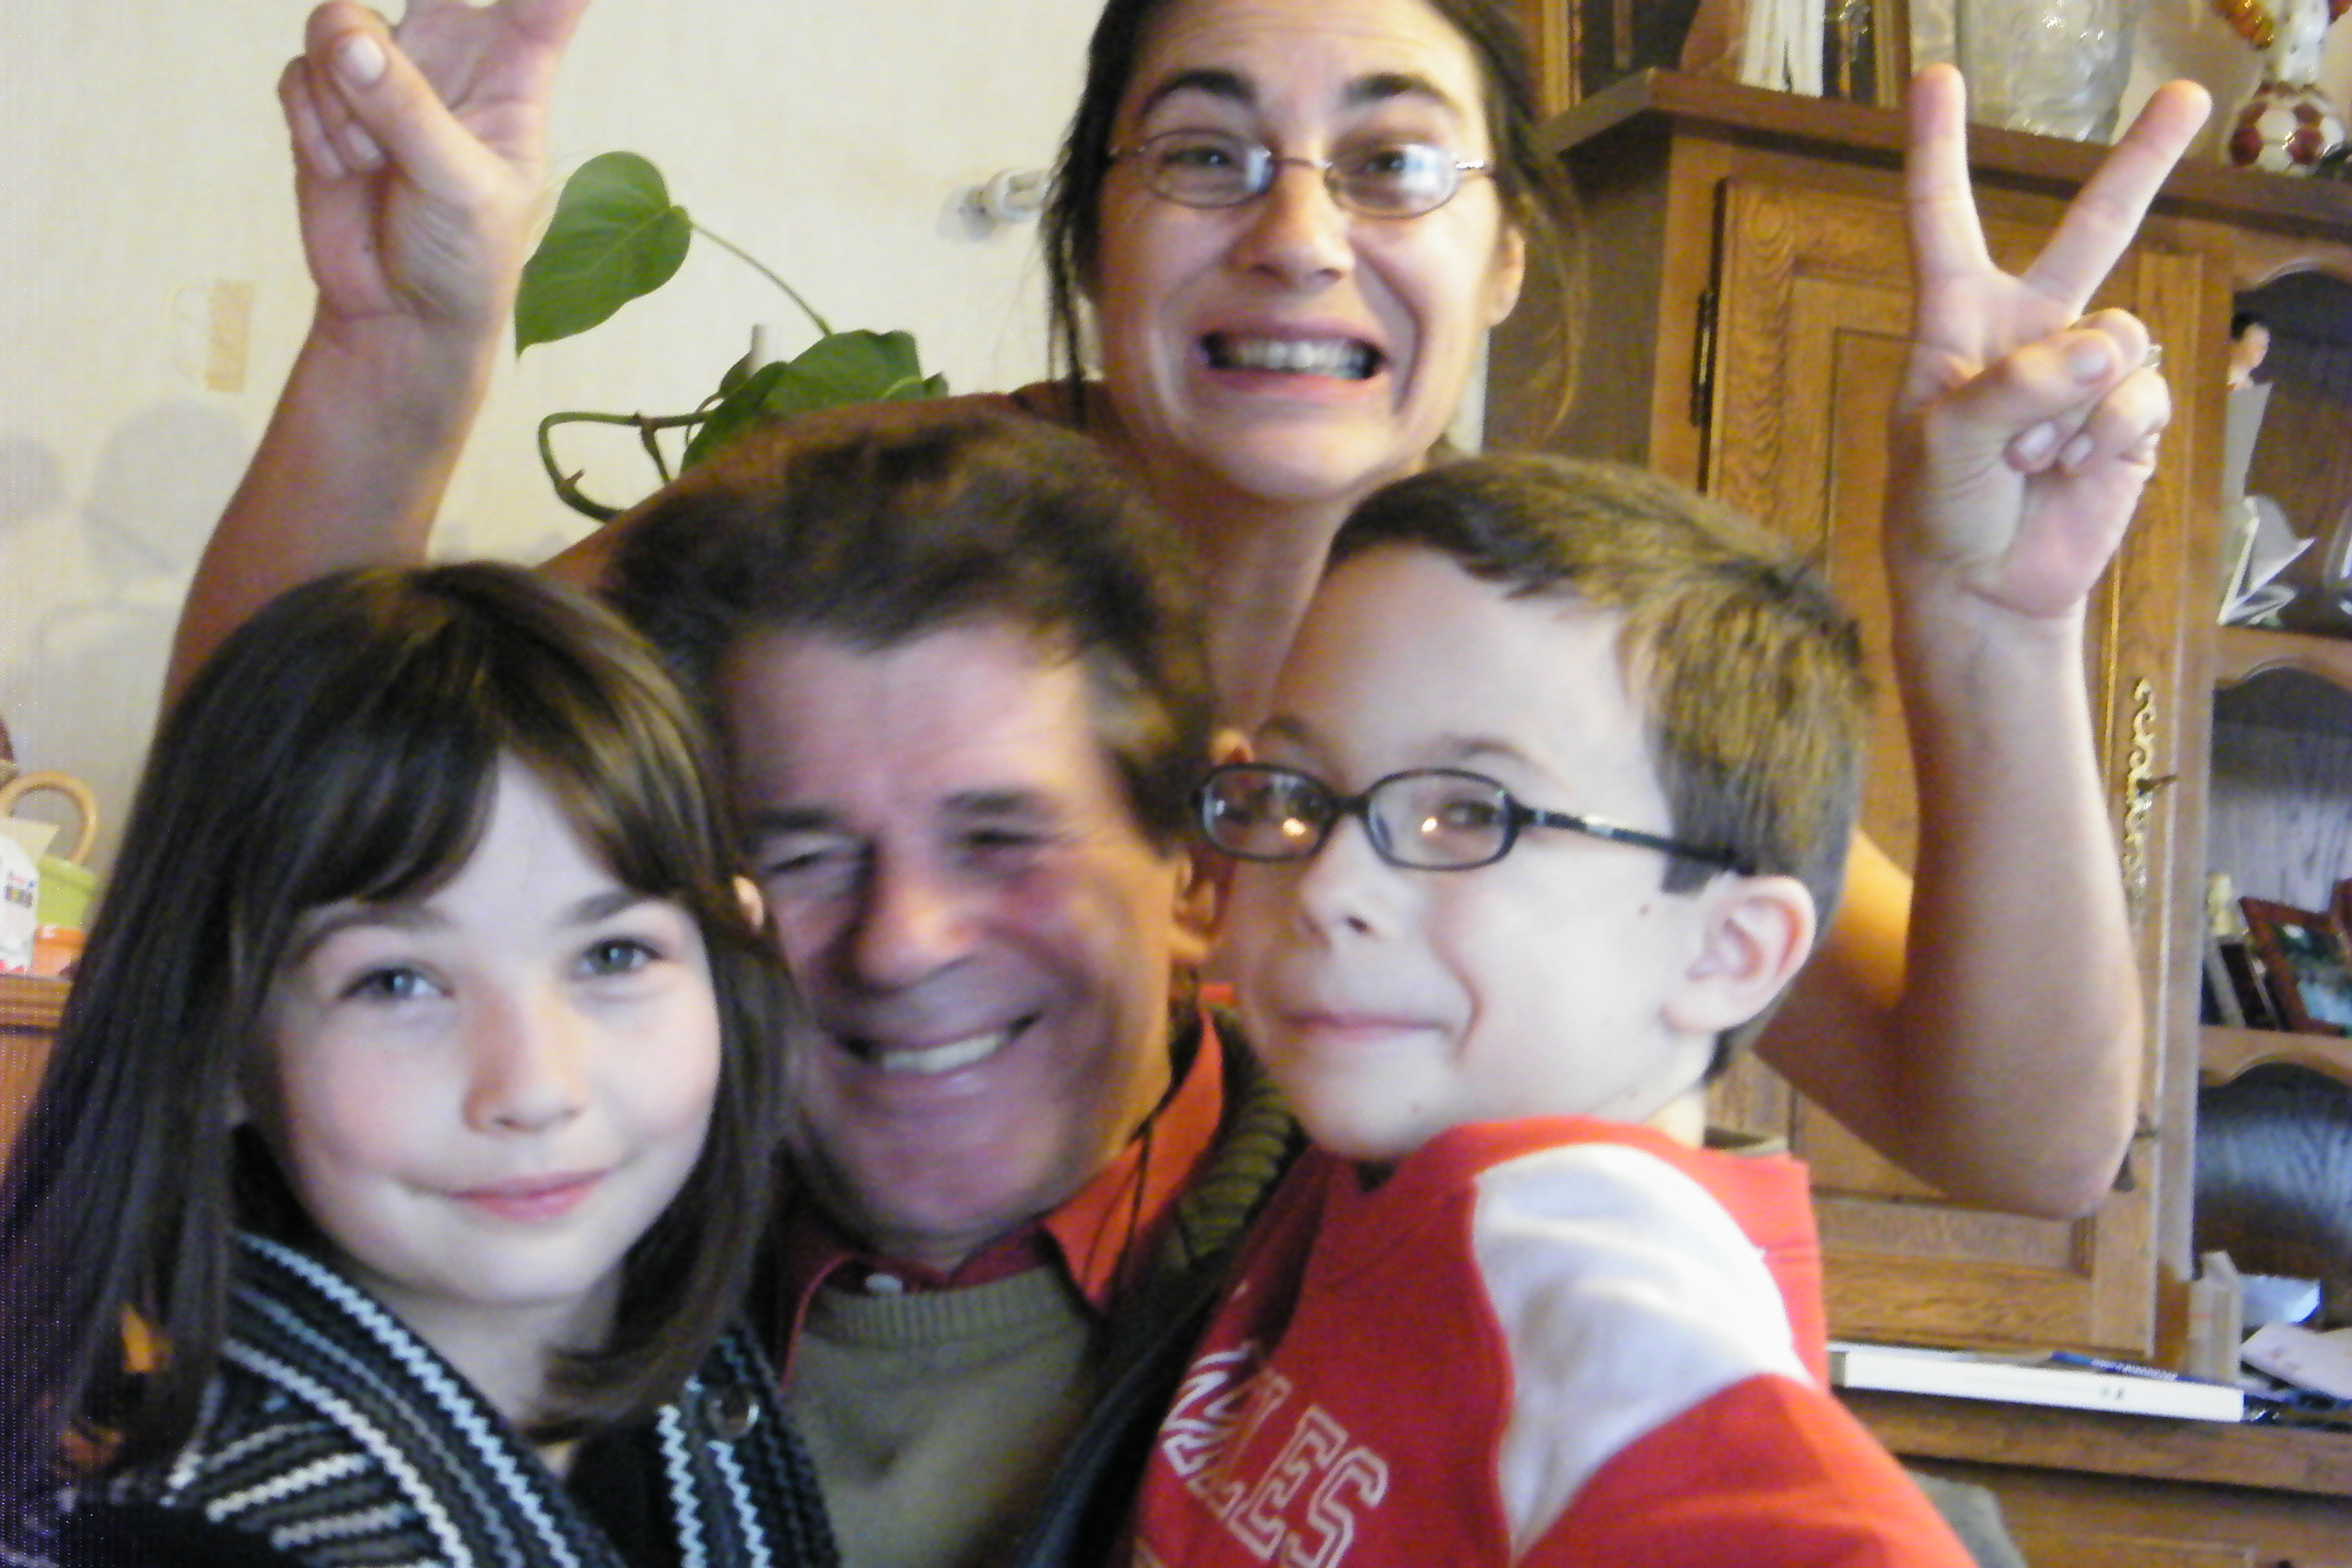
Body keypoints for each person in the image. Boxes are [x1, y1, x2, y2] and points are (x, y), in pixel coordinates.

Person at [177, 0, 2206, 1228]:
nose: (1299, 236)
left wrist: (1993, 620)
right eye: (1208, 153)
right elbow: (268, 809)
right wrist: (402, 341)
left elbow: (2026, 1143)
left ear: (1508, 257)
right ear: (1093, 234)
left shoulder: (1554, 655)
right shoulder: (864, 552)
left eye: (1393, 164)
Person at [1132, 453, 1970, 1565]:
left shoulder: (1591, 1268)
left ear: (1727, 951)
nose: (1329, 888)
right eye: (1298, 797)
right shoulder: (1398, 1173)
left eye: (1469, 817)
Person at [0, 564, 833, 1567]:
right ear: (216, 1046)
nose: (535, 1087)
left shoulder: (711, 1390)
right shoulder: (197, 1542)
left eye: (615, 956)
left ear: (729, 968)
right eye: (396, 983)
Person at [595, 401, 1297, 1567]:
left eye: (996, 840)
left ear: (1198, 873)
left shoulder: (1417, 1308)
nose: (899, 944)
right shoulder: (560, 1289)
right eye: (804, 858)